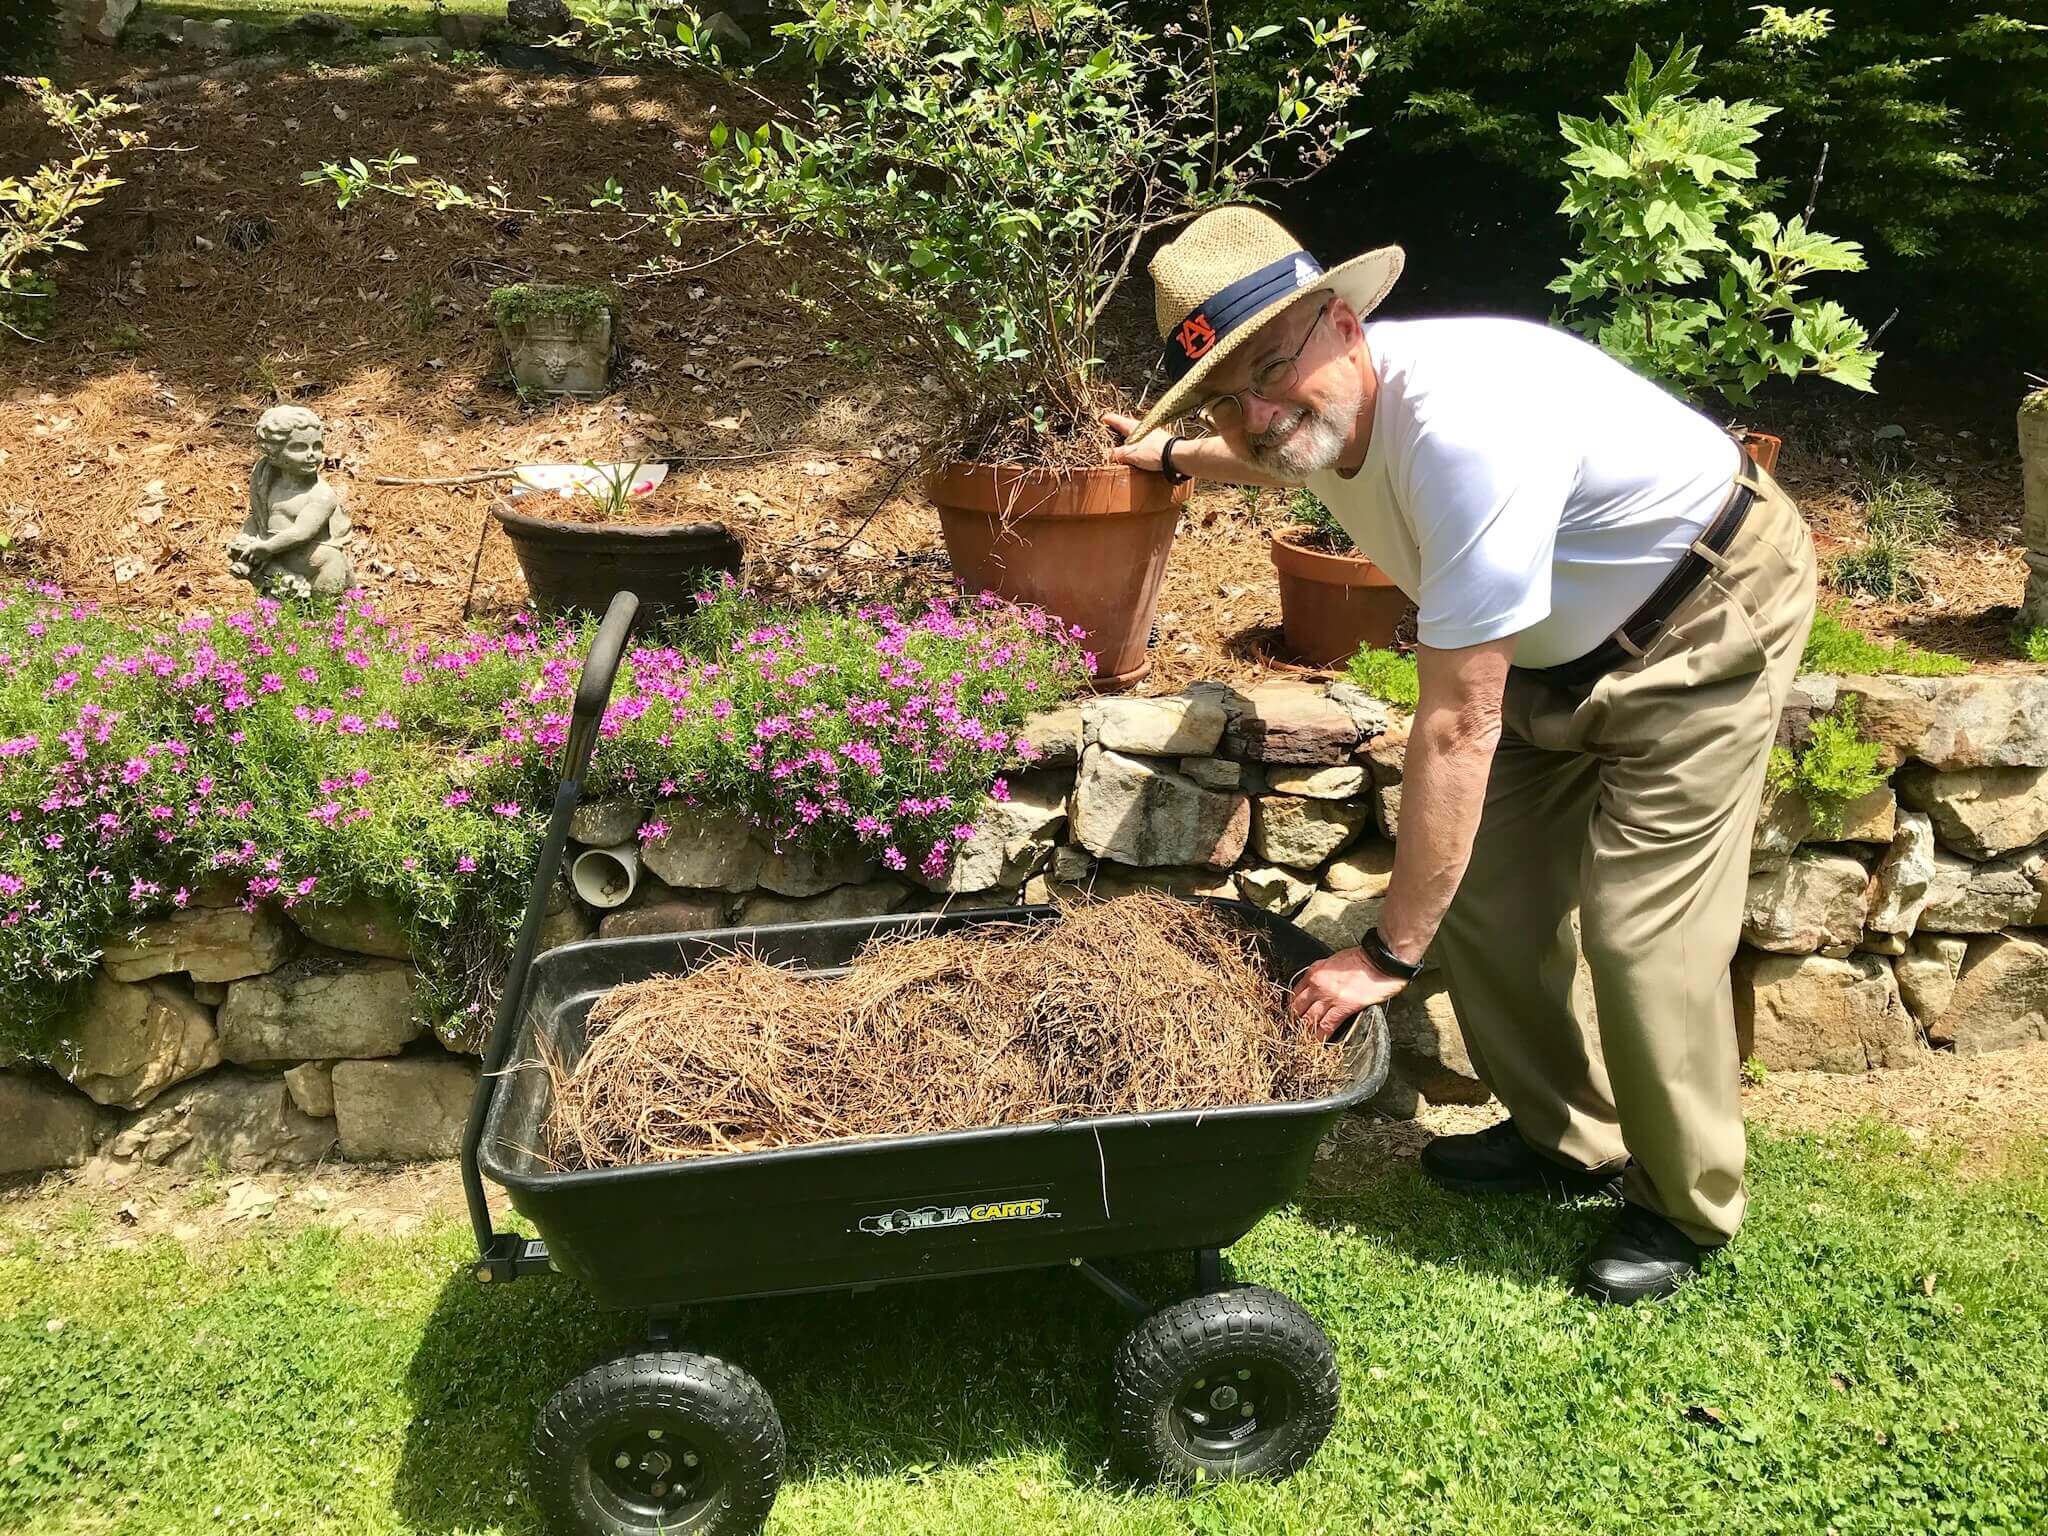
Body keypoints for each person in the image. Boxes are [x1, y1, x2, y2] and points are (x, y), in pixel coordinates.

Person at [1104, 206, 1816, 1304]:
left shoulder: (1465, 430)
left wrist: (1385, 954)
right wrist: (1174, 453)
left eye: (1271, 368)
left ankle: (1683, 1205)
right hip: (1554, 650)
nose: (1256, 412)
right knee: (1485, 892)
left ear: (1343, 321)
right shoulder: (1316, 411)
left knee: (1639, 935)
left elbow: (1455, 725)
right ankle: (1561, 1140)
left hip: (1702, 618)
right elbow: (1275, 449)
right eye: (1224, 397)